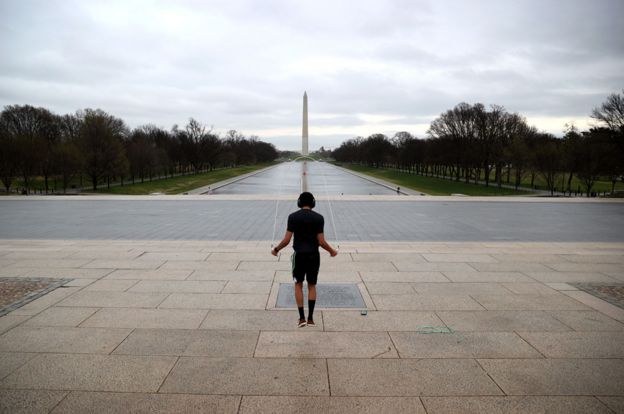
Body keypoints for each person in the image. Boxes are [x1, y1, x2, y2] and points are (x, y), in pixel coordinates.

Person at [271, 192, 338, 327]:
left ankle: (301, 318)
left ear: (299, 203)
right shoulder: (319, 218)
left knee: (298, 284)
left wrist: (276, 249)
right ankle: (311, 318)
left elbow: (287, 240)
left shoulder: (293, 217)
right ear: (313, 203)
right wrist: (332, 251)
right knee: (312, 285)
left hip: (299, 256)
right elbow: (321, 241)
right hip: (314, 256)